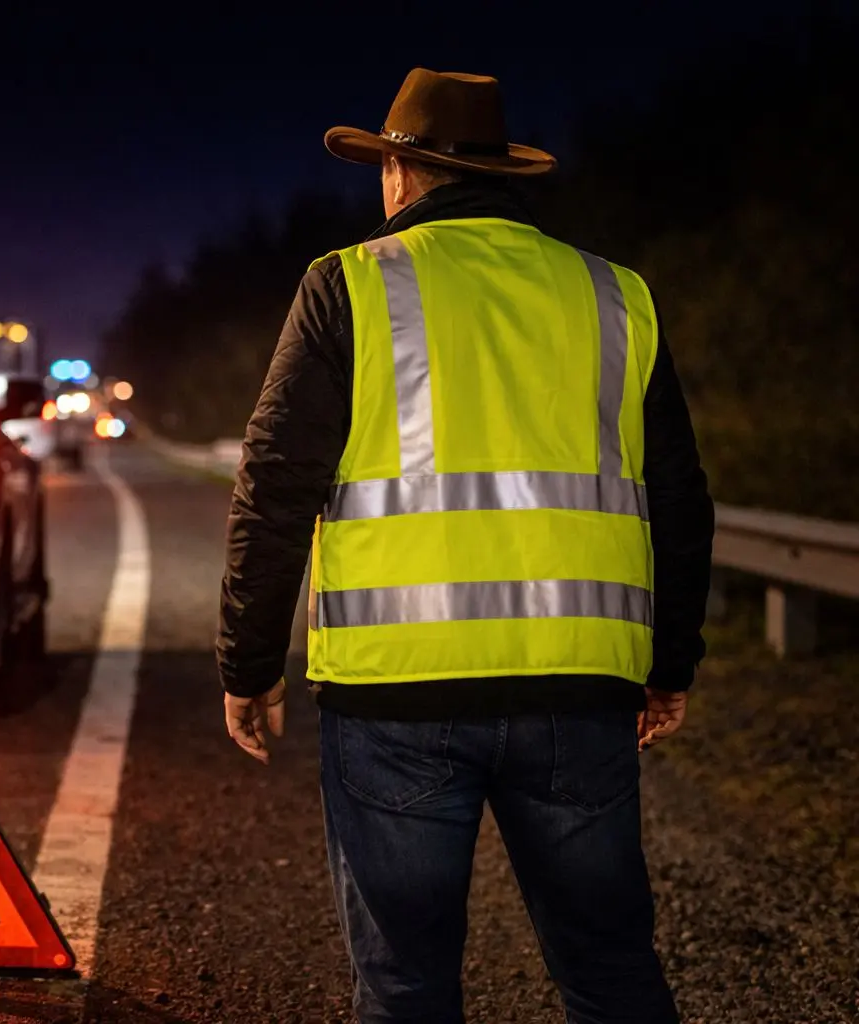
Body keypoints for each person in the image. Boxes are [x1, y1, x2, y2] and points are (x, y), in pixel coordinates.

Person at [216, 68, 714, 1024]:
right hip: (581, 686)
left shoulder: (350, 284)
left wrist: (248, 662)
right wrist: (668, 661)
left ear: (402, 172)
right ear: (499, 173)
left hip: (398, 694)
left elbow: (274, 484)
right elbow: (679, 498)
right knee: (611, 971)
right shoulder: (614, 294)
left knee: (404, 986)